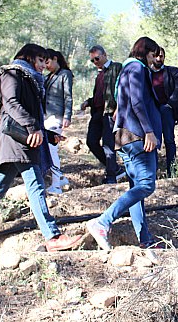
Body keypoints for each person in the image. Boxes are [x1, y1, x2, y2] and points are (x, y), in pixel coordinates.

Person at [0, 44, 81, 252]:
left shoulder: (30, 79)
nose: (44, 65)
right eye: (41, 60)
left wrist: (48, 135)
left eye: (46, 61)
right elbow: (11, 103)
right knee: (35, 187)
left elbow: (27, 112)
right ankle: (52, 236)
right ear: (30, 58)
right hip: (17, 142)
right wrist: (33, 127)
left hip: (21, 141)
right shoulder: (12, 74)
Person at [87, 37, 162, 250]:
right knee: (146, 185)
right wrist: (149, 131)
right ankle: (103, 222)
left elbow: (121, 106)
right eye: (152, 54)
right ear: (145, 52)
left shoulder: (124, 71)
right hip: (137, 136)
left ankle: (145, 239)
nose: (154, 59)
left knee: (135, 188)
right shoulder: (137, 69)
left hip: (123, 136)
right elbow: (137, 102)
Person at [80, 45, 125, 184]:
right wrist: (88, 102)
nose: (95, 62)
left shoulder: (117, 67)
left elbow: (123, 89)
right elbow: (99, 96)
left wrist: (119, 108)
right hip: (98, 112)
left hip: (110, 112)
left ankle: (111, 176)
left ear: (104, 55)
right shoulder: (99, 74)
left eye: (97, 58)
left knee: (108, 145)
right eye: (92, 60)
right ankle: (115, 169)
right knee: (91, 142)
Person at [150, 47, 178, 177]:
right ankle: (153, 172)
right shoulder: (147, 72)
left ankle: (172, 171)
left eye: (161, 56)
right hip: (152, 111)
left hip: (167, 109)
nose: (159, 58)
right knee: (154, 141)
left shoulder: (172, 71)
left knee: (169, 139)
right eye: (156, 56)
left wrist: (170, 104)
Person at [44, 49, 73, 194]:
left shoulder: (65, 74)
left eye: (47, 62)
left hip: (57, 116)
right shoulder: (49, 76)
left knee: (51, 149)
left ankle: (56, 185)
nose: (46, 65)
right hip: (46, 117)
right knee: (48, 149)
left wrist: (67, 116)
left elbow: (68, 96)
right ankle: (59, 178)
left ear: (55, 59)